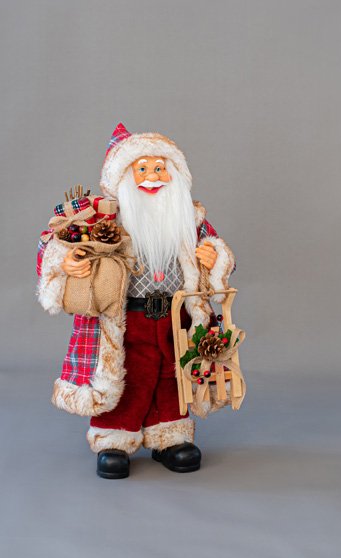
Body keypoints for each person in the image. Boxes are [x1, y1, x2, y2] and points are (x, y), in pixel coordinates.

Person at [37, 123, 235, 479]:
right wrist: (66, 262)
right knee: (127, 375)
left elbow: (219, 251)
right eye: (142, 168)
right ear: (124, 176)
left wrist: (214, 257)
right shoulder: (103, 218)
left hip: (177, 316)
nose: (153, 176)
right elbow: (54, 242)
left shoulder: (189, 219)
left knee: (173, 373)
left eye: (160, 167)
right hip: (127, 318)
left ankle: (170, 435)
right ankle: (114, 438)